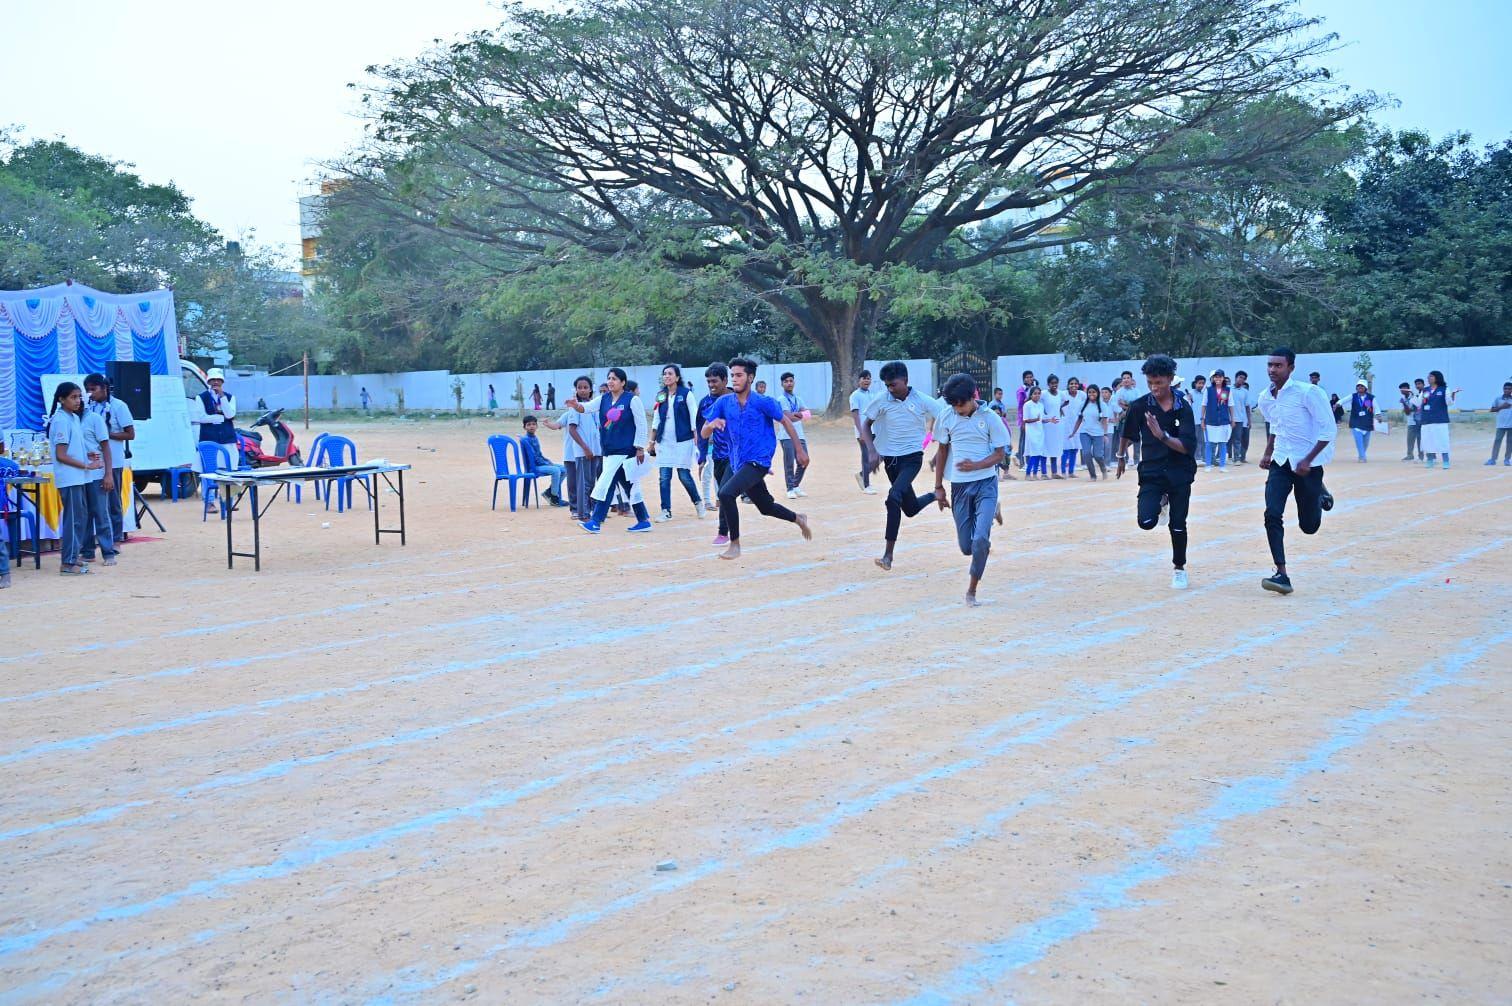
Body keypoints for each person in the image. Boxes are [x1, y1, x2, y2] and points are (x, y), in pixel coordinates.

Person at [700, 358, 812, 559]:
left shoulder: (763, 402)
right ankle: (798, 518)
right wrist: (711, 425)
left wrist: (799, 451)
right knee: (765, 507)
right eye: (732, 375)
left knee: (725, 494)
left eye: (739, 375)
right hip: (738, 463)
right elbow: (703, 433)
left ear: (750, 378)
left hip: (758, 461)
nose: (734, 379)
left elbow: (785, 421)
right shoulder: (723, 402)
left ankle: (734, 544)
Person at [1257, 347, 1336, 595]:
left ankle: (1319, 493)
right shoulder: (1265, 397)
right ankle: (1281, 573)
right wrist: (1268, 452)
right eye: (1270, 365)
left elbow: (1328, 431)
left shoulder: (1308, 393)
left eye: (1278, 366)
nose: (1272, 370)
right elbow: (1276, 425)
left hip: (1307, 467)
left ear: (1291, 368)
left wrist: (1308, 460)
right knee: (1272, 513)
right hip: (1280, 462)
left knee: (1309, 526)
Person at [1116, 355, 1197, 590]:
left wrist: (1162, 436)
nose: (1154, 387)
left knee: (1178, 524)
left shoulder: (1183, 407)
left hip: (1180, 473)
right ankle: (1161, 501)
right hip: (1152, 472)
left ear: (1170, 380)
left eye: (1159, 382)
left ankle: (1179, 568)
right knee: (1146, 522)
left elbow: (1187, 447)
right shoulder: (1141, 405)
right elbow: (1127, 433)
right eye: (1150, 382)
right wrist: (1121, 456)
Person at [932, 373, 1009, 606]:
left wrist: (975, 465)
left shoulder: (991, 418)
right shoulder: (947, 417)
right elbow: (942, 452)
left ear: (973, 396)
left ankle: (971, 592)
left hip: (986, 482)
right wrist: (938, 487)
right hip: (960, 487)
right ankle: (993, 511)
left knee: (980, 542)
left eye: (961, 404)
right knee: (966, 547)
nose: (957, 409)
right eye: (953, 404)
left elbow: (1000, 454)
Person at [860, 361, 942, 570]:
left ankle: (888, 556)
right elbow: (865, 424)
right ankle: (935, 495)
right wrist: (872, 450)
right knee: (910, 508)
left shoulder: (922, 400)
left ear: (905, 381)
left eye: (894, 384)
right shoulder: (882, 400)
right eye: (887, 385)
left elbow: (945, 415)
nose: (890, 389)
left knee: (893, 497)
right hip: (891, 461)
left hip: (912, 459)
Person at [574, 368, 654, 533]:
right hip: (609, 450)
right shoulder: (603, 399)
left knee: (607, 483)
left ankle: (595, 521)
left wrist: (639, 447)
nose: (611, 381)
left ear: (623, 382)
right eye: (609, 378)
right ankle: (643, 520)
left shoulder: (632, 400)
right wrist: (576, 405)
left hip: (626, 451)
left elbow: (641, 424)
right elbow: (586, 408)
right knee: (630, 486)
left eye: (615, 379)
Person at [48, 382, 107, 575]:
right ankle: (67, 562)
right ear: (61, 399)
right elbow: (61, 455)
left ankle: (73, 556)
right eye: (73, 397)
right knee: (73, 520)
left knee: (80, 518)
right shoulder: (60, 420)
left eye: (79, 397)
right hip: (70, 478)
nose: (78, 401)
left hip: (79, 477)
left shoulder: (73, 418)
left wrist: (86, 456)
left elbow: (72, 449)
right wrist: (86, 465)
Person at [84, 373, 135, 545]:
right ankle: (99, 538)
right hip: (94, 462)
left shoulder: (119, 406)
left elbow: (130, 434)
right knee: (96, 502)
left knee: (113, 502)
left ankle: (116, 539)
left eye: (93, 389)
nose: (90, 393)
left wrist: (107, 434)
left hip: (113, 461)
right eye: (87, 390)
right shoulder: (88, 407)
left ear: (104, 388)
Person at [649, 363, 704, 521]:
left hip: (683, 440)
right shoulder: (661, 395)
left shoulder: (686, 394)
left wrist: (696, 438)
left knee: (683, 475)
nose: (667, 376)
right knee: (664, 476)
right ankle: (666, 510)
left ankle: (698, 503)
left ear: (677, 377)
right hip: (664, 441)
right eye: (665, 374)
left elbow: (694, 416)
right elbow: (657, 418)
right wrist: (652, 441)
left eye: (670, 374)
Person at [544, 376, 598, 519]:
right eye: (579, 387)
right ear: (575, 391)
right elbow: (557, 426)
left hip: (590, 452)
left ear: (591, 389)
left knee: (589, 482)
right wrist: (548, 424)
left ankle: (589, 507)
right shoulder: (570, 412)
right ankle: (576, 508)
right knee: (575, 483)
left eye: (585, 387)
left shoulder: (593, 410)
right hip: (573, 453)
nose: (582, 390)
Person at [696, 363, 734, 545]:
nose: (711, 385)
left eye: (715, 381)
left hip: (736, 455)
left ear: (725, 380)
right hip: (717, 455)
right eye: (708, 381)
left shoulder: (738, 398)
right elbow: (701, 431)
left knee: (724, 492)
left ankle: (723, 532)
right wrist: (702, 457)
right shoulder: (705, 402)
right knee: (763, 503)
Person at [776, 371, 811, 499]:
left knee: (804, 460)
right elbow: (788, 417)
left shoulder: (798, 398)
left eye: (791, 381)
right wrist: (800, 414)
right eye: (786, 381)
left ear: (794, 382)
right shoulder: (781, 399)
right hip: (786, 435)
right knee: (789, 462)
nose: (789, 383)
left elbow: (808, 414)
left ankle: (796, 485)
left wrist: (799, 415)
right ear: (782, 384)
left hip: (800, 434)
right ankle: (790, 488)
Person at [519, 415, 568, 506]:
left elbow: (539, 454)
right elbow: (534, 458)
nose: (531, 426)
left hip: (541, 464)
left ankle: (549, 492)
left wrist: (548, 462)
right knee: (555, 470)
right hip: (534, 467)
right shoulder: (526, 439)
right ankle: (554, 497)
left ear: (537, 426)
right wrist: (548, 464)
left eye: (534, 424)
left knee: (565, 469)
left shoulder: (534, 438)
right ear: (524, 427)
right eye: (528, 425)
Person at [1069, 382, 1111, 480]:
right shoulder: (1082, 405)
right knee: (1086, 453)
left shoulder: (1103, 405)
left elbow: (1104, 421)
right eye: (1089, 392)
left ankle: (1103, 468)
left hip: (1098, 434)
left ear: (1098, 393)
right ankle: (1093, 475)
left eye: (1094, 392)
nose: (1091, 394)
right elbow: (1079, 419)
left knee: (1098, 455)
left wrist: (1105, 434)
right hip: (1085, 433)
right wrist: (1073, 432)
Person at [191, 368, 238, 455]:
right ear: (208, 382)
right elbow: (201, 418)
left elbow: (230, 415)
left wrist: (222, 396)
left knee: (229, 462)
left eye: (218, 380)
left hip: (227, 437)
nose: (216, 382)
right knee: (210, 463)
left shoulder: (230, 397)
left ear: (222, 382)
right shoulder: (201, 397)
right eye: (213, 380)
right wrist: (221, 418)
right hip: (209, 436)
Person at [1419, 370, 1459, 469]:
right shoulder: (1425, 390)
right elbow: (1418, 402)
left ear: (1437, 378)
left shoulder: (1444, 389)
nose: (1428, 378)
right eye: (1428, 377)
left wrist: (1453, 394)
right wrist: (1411, 394)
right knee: (1428, 441)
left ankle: (1445, 461)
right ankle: (1430, 460)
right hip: (1426, 420)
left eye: (1431, 377)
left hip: (1440, 420)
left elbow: (1449, 402)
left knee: (1442, 441)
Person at [849, 370, 880, 494]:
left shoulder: (872, 395)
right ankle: (866, 485)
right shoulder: (855, 395)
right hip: (863, 431)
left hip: (873, 430)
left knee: (880, 455)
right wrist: (861, 432)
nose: (866, 380)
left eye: (868, 378)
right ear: (859, 381)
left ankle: (862, 475)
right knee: (866, 457)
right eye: (864, 378)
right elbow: (855, 415)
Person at [1204, 370, 1232, 470]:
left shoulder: (1227, 390)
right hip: (1211, 421)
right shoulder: (1208, 390)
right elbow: (1204, 405)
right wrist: (1202, 419)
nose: (1218, 379)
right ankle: (1208, 465)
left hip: (1223, 421)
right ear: (1213, 378)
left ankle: (1222, 466)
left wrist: (1232, 419)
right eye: (1216, 377)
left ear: (1223, 378)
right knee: (1209, 443)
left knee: (1223, 443)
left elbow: (1230, 405)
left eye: (1220, 377)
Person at [1058, 376, 1085, 477]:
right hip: (1065, 424)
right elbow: (1057, 405)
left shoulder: (1082, 395)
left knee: (1075, 448)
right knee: (1066, 449)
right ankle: (1063, 472)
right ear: (1068, 385)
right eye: (1071, 384)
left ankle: (1071, 471)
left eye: (1075, 384)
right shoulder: (1063, 394)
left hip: (1078, 424)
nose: (1073, 385)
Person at [1039, 374, 1065, 478]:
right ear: (1048, 384)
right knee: (1045, 448)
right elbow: (1036, 401)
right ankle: (1044, 473)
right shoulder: (1044, 394)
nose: (1054, 385)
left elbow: (1065, 402)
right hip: (1047, 424)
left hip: (1057, 425)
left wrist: (1060, 409)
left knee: (1054, 447)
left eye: (1056, 383)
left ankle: (1054, 472)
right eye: (1052, 383)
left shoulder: (1060, 394)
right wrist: (1044, 413)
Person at [1112, 372, 1141, 464]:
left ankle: (1136, 460)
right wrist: (1126, 408)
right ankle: (1125, 459)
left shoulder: (1136, 391)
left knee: (1136, 439)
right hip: (1124, 418)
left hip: (1135, 418)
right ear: (1122, 380)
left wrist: (1125, 405)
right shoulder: (1119, 392)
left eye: (1128, 378)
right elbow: (1116, 406)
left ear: (1131, 379)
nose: (1126, 380)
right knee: (1124, 438)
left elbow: (1138, 405)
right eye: (1124, 378)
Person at [1348, 379, 1377, 462]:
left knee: (1366, 443)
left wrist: (1378, 414)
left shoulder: (1369, 398)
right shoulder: (1353, 396)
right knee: (1359, 442)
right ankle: (1362, 457)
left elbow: (1375, 407)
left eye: (1362, 386)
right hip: (1355, 423)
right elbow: (1343, 401)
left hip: (1367, 423)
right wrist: (1338, 404)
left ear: (1365, 388)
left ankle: (1362, 454)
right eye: (1358, 386)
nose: (1360, 387)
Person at [1022, 385, 1047, 478]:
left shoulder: (1041, 405)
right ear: (1031, 395)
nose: (1037, 395)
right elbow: (1025, 420)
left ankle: (1035, 474)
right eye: (1035, 394)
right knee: (1033, 453)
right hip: (1031, 432)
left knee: (1039, 453)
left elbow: (1042, 419)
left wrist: (1050, 420)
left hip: (1040, 432)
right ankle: (1028, 474)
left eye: (1039, 394)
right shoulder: (1027, 405)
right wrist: (1035, 419)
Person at [1230, 370, 1254, 464]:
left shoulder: (1245, 392)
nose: (1242, 380)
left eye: (1244, 379)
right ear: (1236, 378)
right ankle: (1222, 457)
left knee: (1237, 439)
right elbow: (1222, 401)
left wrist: (1249, 420)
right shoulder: (1228, 390)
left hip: (1239, 419)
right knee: (1224, 439)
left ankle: (1237, 458)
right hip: (1227, 419)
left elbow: (1247, 407)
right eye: (1240, 377)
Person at [1015, 369, 1037, 467]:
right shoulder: (1021, 390)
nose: (1029, 379)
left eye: (1031, 377)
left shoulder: (1034, 388)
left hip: (1033, 418)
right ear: (1024, 379)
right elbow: (1021, 404)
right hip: (1024, 417)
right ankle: (1021, 462)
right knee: (1023, 440)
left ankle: (1029, 461)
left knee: (1030, 440)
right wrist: (1030, 397)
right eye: (1027, 377)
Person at [1488, 381, 1512, 466]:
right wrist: (1502, 406)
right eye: (1505, 389)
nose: (1507, 390)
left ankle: (1507, 459)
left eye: (1509, 389)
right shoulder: (1498, 399)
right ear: (1503, 389)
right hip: (1500, 425)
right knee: (1497, 441)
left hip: (1511, 425)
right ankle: (1493, 459)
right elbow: (1492, 410)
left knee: (1510, 442)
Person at [1399, 380, 1422, 461]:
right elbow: (1407, 412)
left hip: (1419, 421)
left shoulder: (1414, 396)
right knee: (1410, 440)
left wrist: (1408, 406)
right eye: (1401, 389)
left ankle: (1421, 456)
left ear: (1408, 389)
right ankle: (1410, 455)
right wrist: (1405, 404)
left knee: (1420, 440)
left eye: (1404, 389)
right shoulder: (1402, 399)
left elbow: (1417, 408)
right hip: (1410, 421)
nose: (1403, 391)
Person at [1189, 374, 1209, 465]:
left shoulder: (1206, 394)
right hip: (1194, 421)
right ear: (1195, 383)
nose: (1201, 385)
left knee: (1204, 440)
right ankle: (1197, 458)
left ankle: (1204, 457)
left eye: (1203, 383)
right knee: (1196, 440)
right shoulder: (1190, 394)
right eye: (1199, 383)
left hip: (1204, 421)